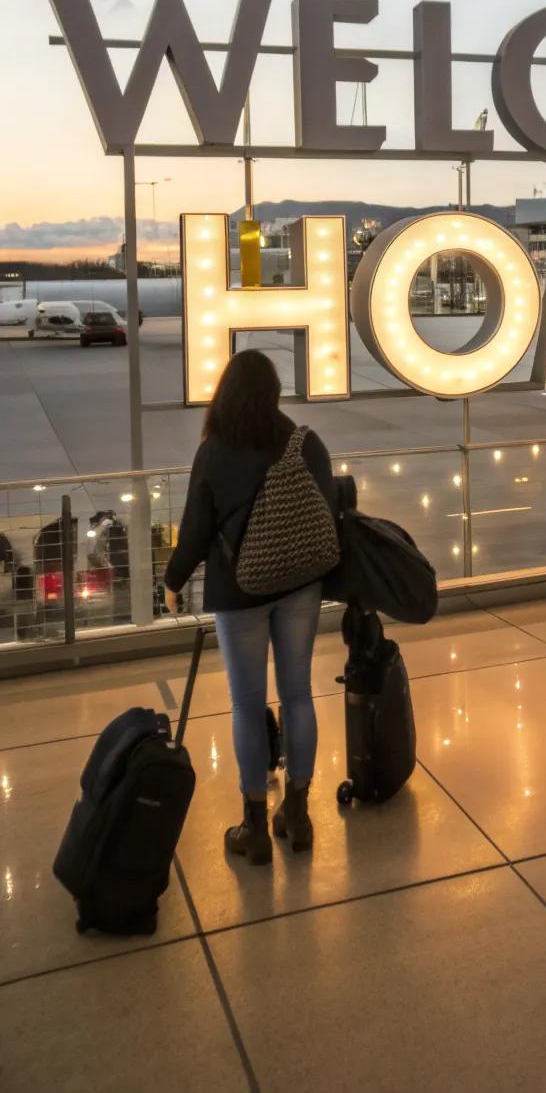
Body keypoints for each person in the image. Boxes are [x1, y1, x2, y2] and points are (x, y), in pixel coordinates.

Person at [163, 350, 337, 865]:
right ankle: (298, 815)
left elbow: (196, 530)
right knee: (298, 693)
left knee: (246, 703)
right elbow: (326, 514)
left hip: (239, 592)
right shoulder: (305, 443)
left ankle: (255, 826)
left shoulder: (214, 452)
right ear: (274, 394)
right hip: (301, 585)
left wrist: (173, 581)